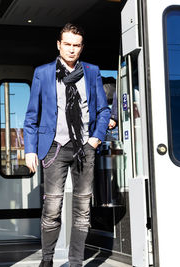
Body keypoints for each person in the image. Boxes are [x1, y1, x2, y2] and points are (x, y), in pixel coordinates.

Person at [23, 23, 110, 267]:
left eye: (76, 45)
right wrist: (30, 149)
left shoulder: (92, 72)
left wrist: (96, 138)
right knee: (52, 207)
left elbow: (103, 110)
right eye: (67, 44)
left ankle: (75, 263)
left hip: (85, 147)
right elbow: (32, 116)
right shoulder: (43, 72)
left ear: (81, 48)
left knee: (83, 209)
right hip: (54, 147)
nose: (72, 49)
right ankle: (47, 260)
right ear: (59, 45)